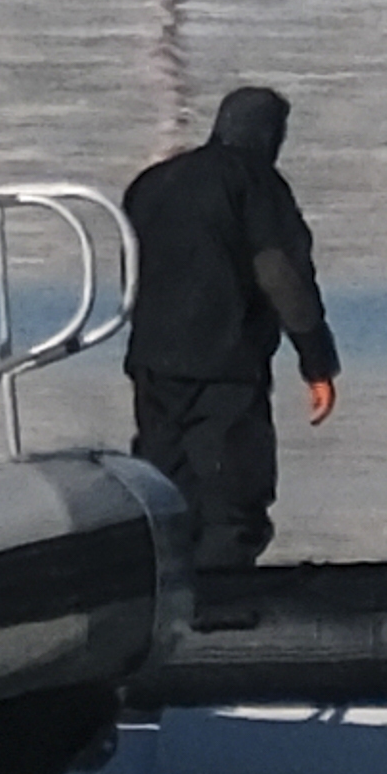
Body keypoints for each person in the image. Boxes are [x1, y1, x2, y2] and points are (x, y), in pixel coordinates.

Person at [123, 84, 340, 569]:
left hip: (152, 364)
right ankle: (224, 612)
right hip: (224, 366)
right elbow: (280, 274)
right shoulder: (256, 182)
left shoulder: (152, 182)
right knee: (231, 497)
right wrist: (317, 362)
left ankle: (163, 598)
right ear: (270, 134)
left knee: (163, 492)